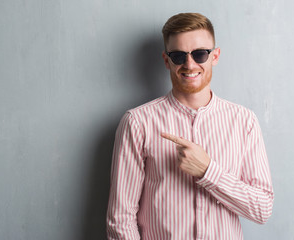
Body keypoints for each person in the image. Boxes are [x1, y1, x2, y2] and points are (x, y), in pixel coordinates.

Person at [106, 13, 274, 239]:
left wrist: (208, 171)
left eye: (200, 54)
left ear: (214, 56)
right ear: (167, 61)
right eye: (178, 56)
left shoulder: (244, 121)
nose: (189, 64)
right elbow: (121, 218)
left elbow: (262, 209)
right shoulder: (138, 123)